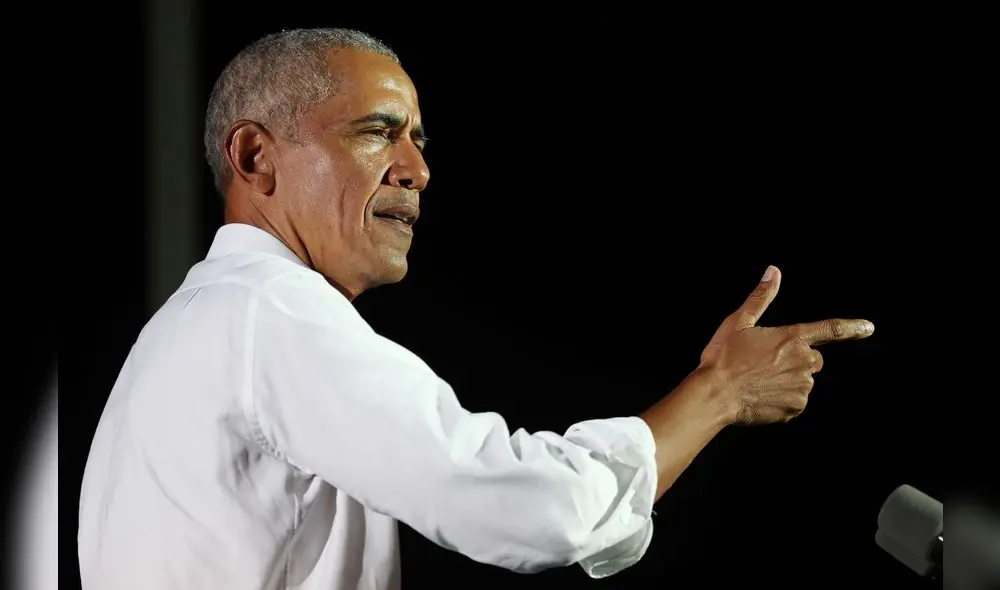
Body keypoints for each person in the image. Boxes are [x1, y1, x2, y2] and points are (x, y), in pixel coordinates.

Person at [77, 28, 875, 590]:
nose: (416, 169)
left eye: (419, 140)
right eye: (378, 132)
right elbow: (536, 510)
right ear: (256, 157)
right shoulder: (268, 312)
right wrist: (718, 391)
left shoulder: (200, 324)